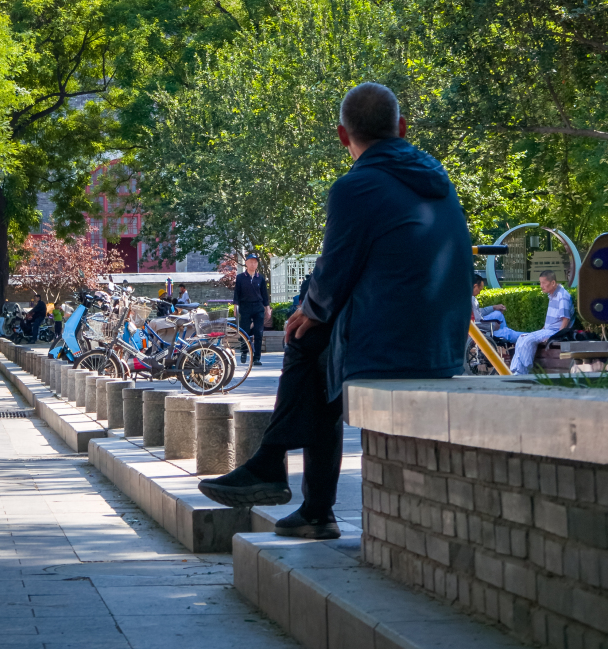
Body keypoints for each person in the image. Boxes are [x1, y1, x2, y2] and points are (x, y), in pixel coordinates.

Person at [199, 82, 472, 539]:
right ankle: (302, 499)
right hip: (445, 340)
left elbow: (336, 266)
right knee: (318, 351)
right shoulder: (437, 180)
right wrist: (317, 307)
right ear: (402, 129)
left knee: (304, 340)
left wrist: (311, 309)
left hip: (396, 345)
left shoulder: (357, 186)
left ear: (343, 136)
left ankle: (287, 481)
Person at [510, 271, 574, 374]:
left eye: (543, 283)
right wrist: (542, 329)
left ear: (553, 283)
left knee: (528, 340)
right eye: (540, 283)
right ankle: (516, 370)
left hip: (554, 332)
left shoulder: (562, 295)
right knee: (522, 338)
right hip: (548, 330)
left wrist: (557, 337)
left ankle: (524, 371)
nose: (541, 286)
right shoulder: (552, 294)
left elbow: (566, 319)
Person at [233, 252, 271, 366]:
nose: (253, 264)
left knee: (259, 332)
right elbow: (236, 294)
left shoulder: (261, 278)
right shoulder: (240, 278)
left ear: (257, 264)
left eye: (255, 262)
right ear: (246, 263)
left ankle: (257, 357)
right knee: (245, 331)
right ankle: (244, 351)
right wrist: (236, 307)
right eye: (251, 262)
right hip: (245, 307)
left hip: (258, 307)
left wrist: (267, 308)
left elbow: (265, 294)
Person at [471, 274, 520, 343]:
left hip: (476, 325)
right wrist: (493, 326)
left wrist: (494, 307)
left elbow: (478, 312)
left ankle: (504, 332)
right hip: (480, 329)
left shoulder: (467, 297)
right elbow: (477, 321)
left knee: (498, 313)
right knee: (508, 333)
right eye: (480, 289)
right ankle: (527, 336)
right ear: (475, 286)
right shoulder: (471, 299)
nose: (479, 292)